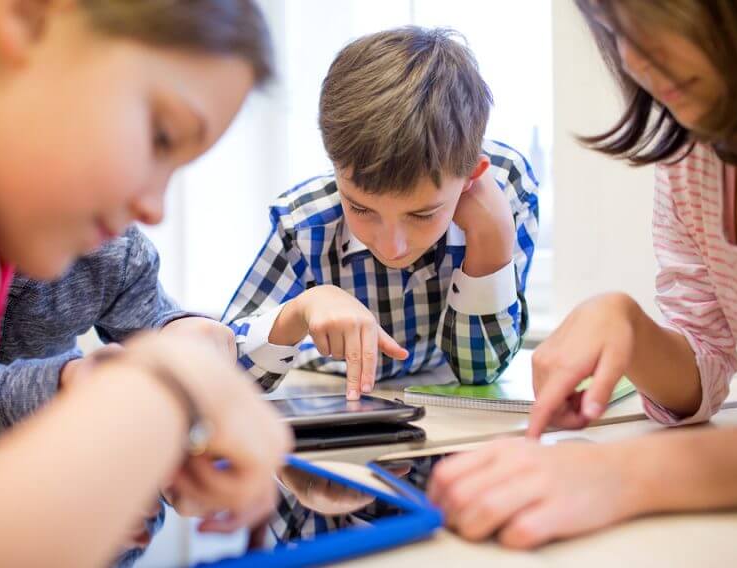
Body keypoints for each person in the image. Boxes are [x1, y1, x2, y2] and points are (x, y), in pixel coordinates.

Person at [429, 0, 737, 550]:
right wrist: (628, 324)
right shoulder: (691, 162)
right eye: (614, 30)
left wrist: (629, 473)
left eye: (654, 20)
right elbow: (703, 380)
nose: (633, 58)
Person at [0, 1, 291, 565]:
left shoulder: (3, 251)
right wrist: (159, 383)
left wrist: (188, 344)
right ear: (27, 16)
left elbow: (159, 321)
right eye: (161, 136)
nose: (154, 206)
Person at [223, 27, 538, 399]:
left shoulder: (505, 187)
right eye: (360, 207)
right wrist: (298, 310)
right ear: (335, 167)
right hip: (326, 389)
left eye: (422, 215)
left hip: (442, 416)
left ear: (472, 177)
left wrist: (492, 236)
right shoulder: (306, 221)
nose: (392, 247)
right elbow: (219, 372)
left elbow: (481, 371)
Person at [0, 225, 238, 566]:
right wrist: (68, 385)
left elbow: (154, 320)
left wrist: (178, 331)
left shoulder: (112, 241)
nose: (154, 209)